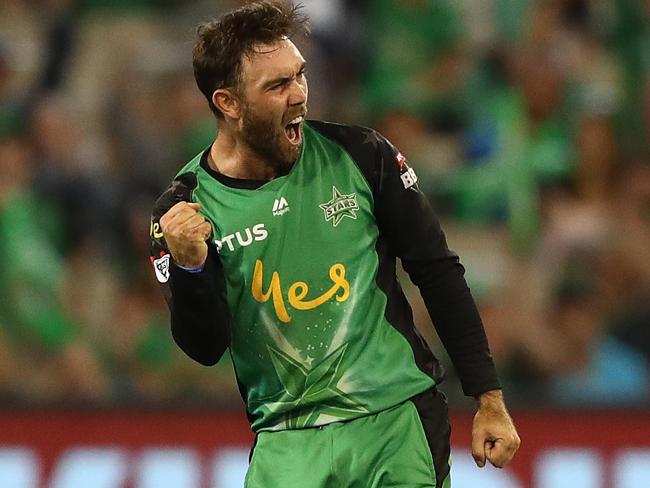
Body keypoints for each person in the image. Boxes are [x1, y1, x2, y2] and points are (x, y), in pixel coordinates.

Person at [149, 2, 520, 487]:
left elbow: (437, 270)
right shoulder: (185, 213)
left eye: (299, 75)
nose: (300, 95)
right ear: (228, 103)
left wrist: (487, 396)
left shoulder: (362, 156)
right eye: (277, 86)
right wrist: (192, 270)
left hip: (395, 419)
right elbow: (205, 347)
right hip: (286, 437)